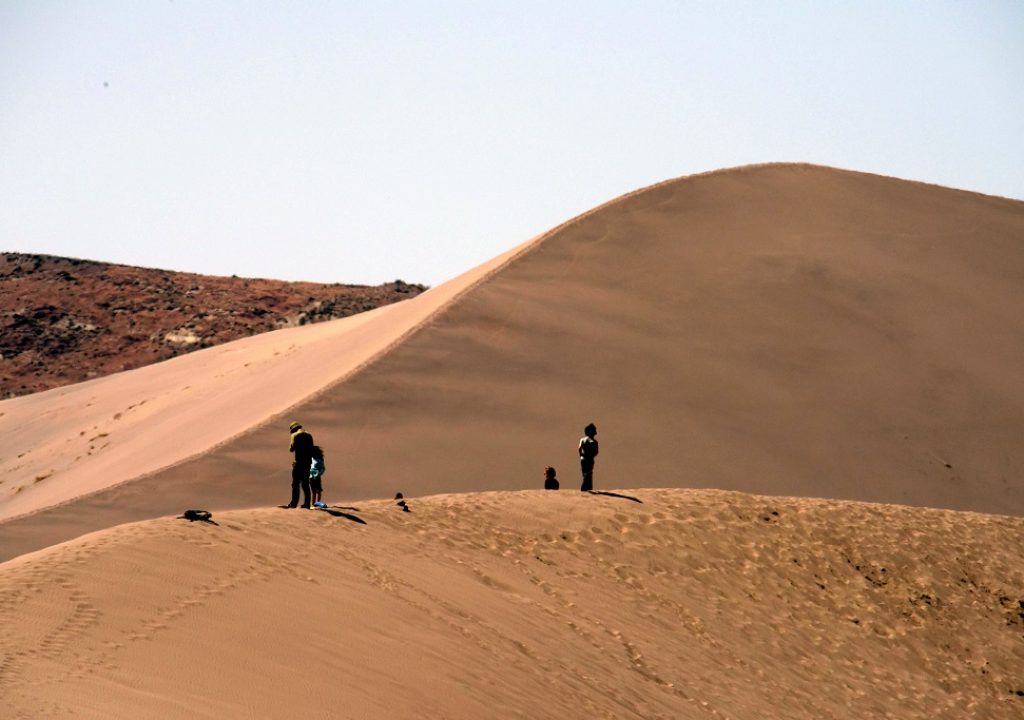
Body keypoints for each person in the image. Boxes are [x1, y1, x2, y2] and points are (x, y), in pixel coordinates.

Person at [287, 421, 315, 508]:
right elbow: (311, 449)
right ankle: (307, 504)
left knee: (295, 484)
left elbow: (291, 449)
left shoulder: (294, 435)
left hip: (299, 463)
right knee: (305, 484)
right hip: (307, 463)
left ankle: (294, 503)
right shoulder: (309, 435)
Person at [578, 423, 599, 492]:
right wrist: (590, 456)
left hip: (583, 459)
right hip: (588, 459)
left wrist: (581, 455)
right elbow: (596, 452)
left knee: (585, 474)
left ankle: (586, 488)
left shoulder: (582, 439)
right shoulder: (593, 441)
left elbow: (579, 449)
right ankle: (585, 488)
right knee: (588, 474)